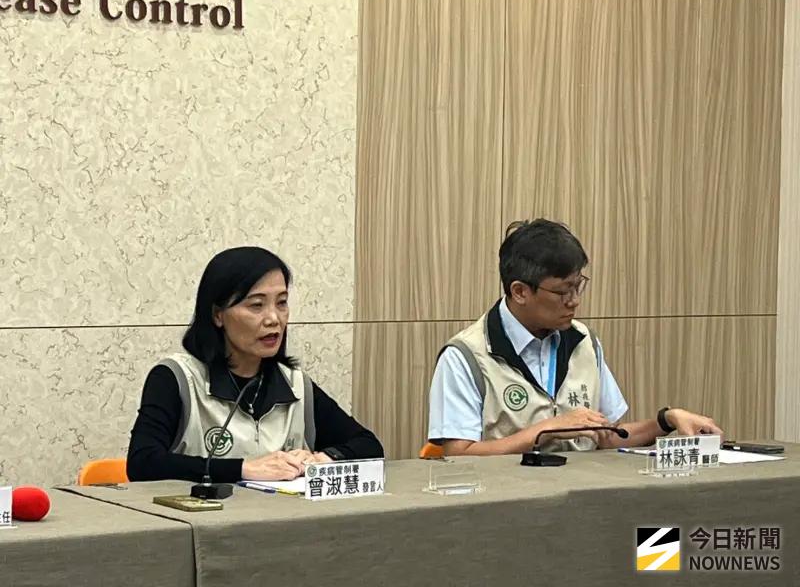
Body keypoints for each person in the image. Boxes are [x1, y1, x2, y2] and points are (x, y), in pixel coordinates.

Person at [428, 219, 722, 456]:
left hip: (583, 499)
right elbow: (459, 454)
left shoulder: (583, 341)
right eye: (562, 291)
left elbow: (608, 437)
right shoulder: (466, 355)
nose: (574, 301)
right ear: (520, 292)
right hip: (508, 504)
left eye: (578, 286)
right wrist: (547, 430)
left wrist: (667, 419)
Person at [128, 246, 383, 482]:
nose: (274, 319)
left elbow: (368, 445)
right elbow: (143, 463)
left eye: (281, 303)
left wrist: (321, 459)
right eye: (256, 305)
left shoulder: (295, 383)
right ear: (218, 315)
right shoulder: (178, 378)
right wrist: (244, 469)